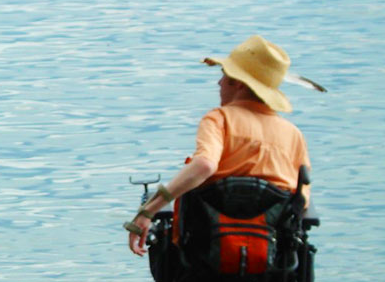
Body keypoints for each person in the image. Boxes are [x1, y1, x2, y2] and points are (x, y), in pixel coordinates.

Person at [126, 35, 313, 256]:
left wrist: (148, 211)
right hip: (271, 266)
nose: (219, 82)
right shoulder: (293, 135)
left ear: (239, 83)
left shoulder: (219, 119)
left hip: (204, 258)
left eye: (224, 75)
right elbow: (302, 199)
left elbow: (205, 166)